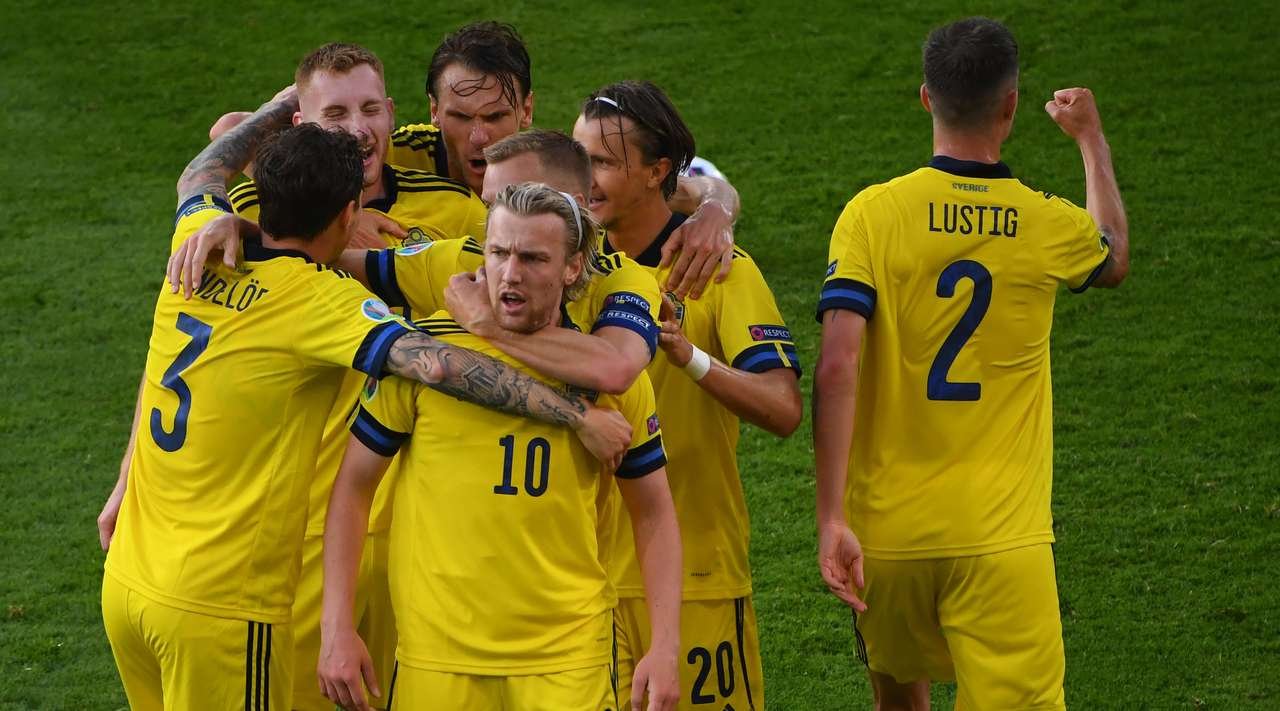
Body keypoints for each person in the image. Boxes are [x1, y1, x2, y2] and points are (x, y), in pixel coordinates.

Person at [99, 125, 632, 711]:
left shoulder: (198, 239)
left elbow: (202, 169)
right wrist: (573, 414)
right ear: (349, 214)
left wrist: (279, 111)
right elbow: (436, 365)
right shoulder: (322, 301)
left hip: (129, 577)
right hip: (216, 602)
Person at [813, 17, 1129, 710]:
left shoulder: (871, 214)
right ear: (1011, 105)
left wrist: (831, 516)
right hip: (1001, 541)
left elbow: (836, 368)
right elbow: (1112, 254)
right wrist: (1090, 139)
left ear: (927, 97)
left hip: (888, 538)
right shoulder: (1047, 222)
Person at [318, 182, 682, 711]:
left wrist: (666, 647)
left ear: (572, 268)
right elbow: (353, 489)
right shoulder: (422, 355)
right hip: (436, 657)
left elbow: (653, 513)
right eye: (498, 253)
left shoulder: (609, 377)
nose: (510, 274)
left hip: (567, 658)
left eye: (533, 258)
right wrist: (336, 626)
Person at [571, 81, 803, 710]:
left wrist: (691, 359)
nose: (583, 178)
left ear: (657, 172)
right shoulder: (562, 266)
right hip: (575, 581)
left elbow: (783, 408)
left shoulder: (722, 272)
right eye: (578, 156)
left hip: (695, 577)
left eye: (603, 162)